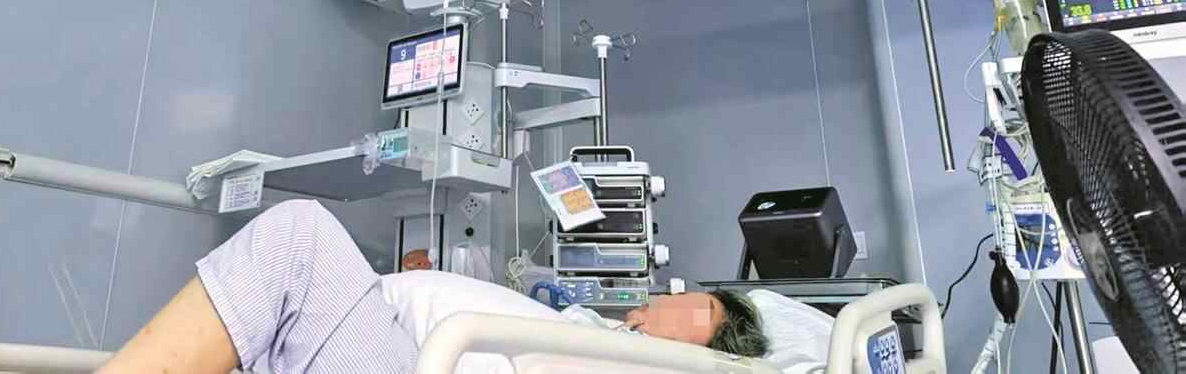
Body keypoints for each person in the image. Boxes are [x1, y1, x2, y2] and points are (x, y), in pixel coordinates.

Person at [99, 200, 768, 374]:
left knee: (298, 240)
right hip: (403, 342)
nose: (677, 301)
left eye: (700, 308)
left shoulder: (654, 366)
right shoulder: (593, 330)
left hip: (420, 361)